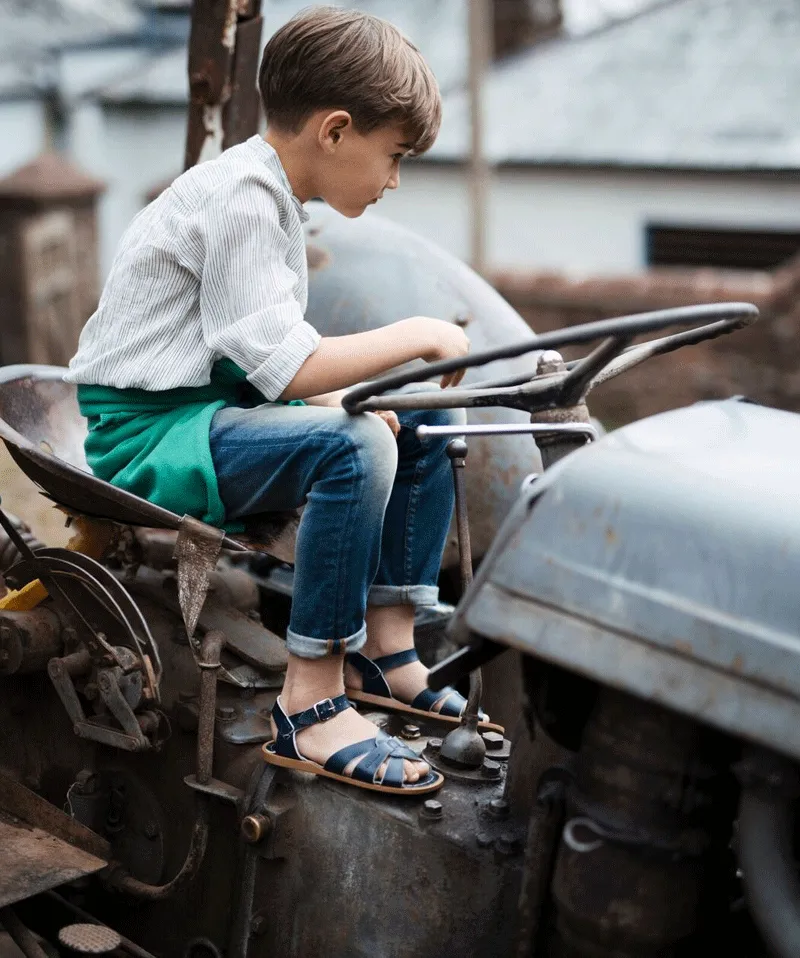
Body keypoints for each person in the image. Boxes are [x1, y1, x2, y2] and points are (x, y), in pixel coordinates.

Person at [66, 6, 487, 795]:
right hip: (151, 434)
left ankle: (385, 651)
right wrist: (420, 331)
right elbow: (289, 370)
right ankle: (311, 701)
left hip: (210, 409)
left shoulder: (270, 197)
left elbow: (261, 366)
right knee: (357, 444)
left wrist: (383, 389)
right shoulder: (241, 200)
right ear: (334, 131)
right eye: (393, 156)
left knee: (423, 411)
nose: (394, 180)